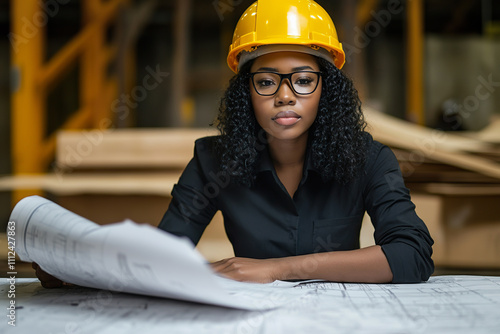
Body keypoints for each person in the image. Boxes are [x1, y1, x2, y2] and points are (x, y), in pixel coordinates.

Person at [34, 0, 433, 287]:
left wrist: (280, 268)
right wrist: (83, 268)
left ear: (326, 90)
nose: (285, 95)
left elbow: (412, 256)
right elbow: (163, 254)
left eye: (304, 79)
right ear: (247, 93)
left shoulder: (369, 159)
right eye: (265, 81)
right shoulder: (213, 161)